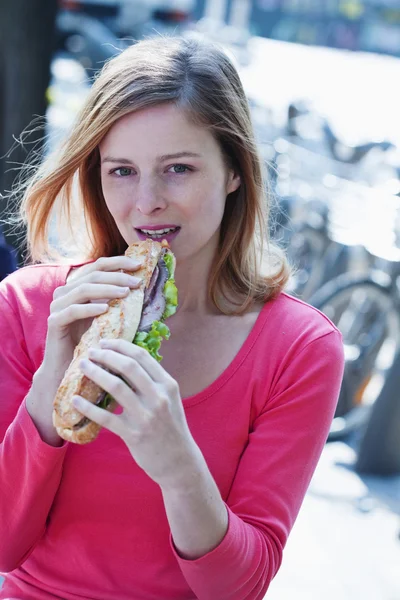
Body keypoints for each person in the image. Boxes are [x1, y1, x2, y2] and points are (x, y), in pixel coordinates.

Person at [0, 35, 344, 600]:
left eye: (178, 168)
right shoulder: (27, 305)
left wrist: (178, 464)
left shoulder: (299, 347)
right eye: (122, 171)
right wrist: (50, 384)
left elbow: (239, 587)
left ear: (235, 171)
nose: (147, 201)